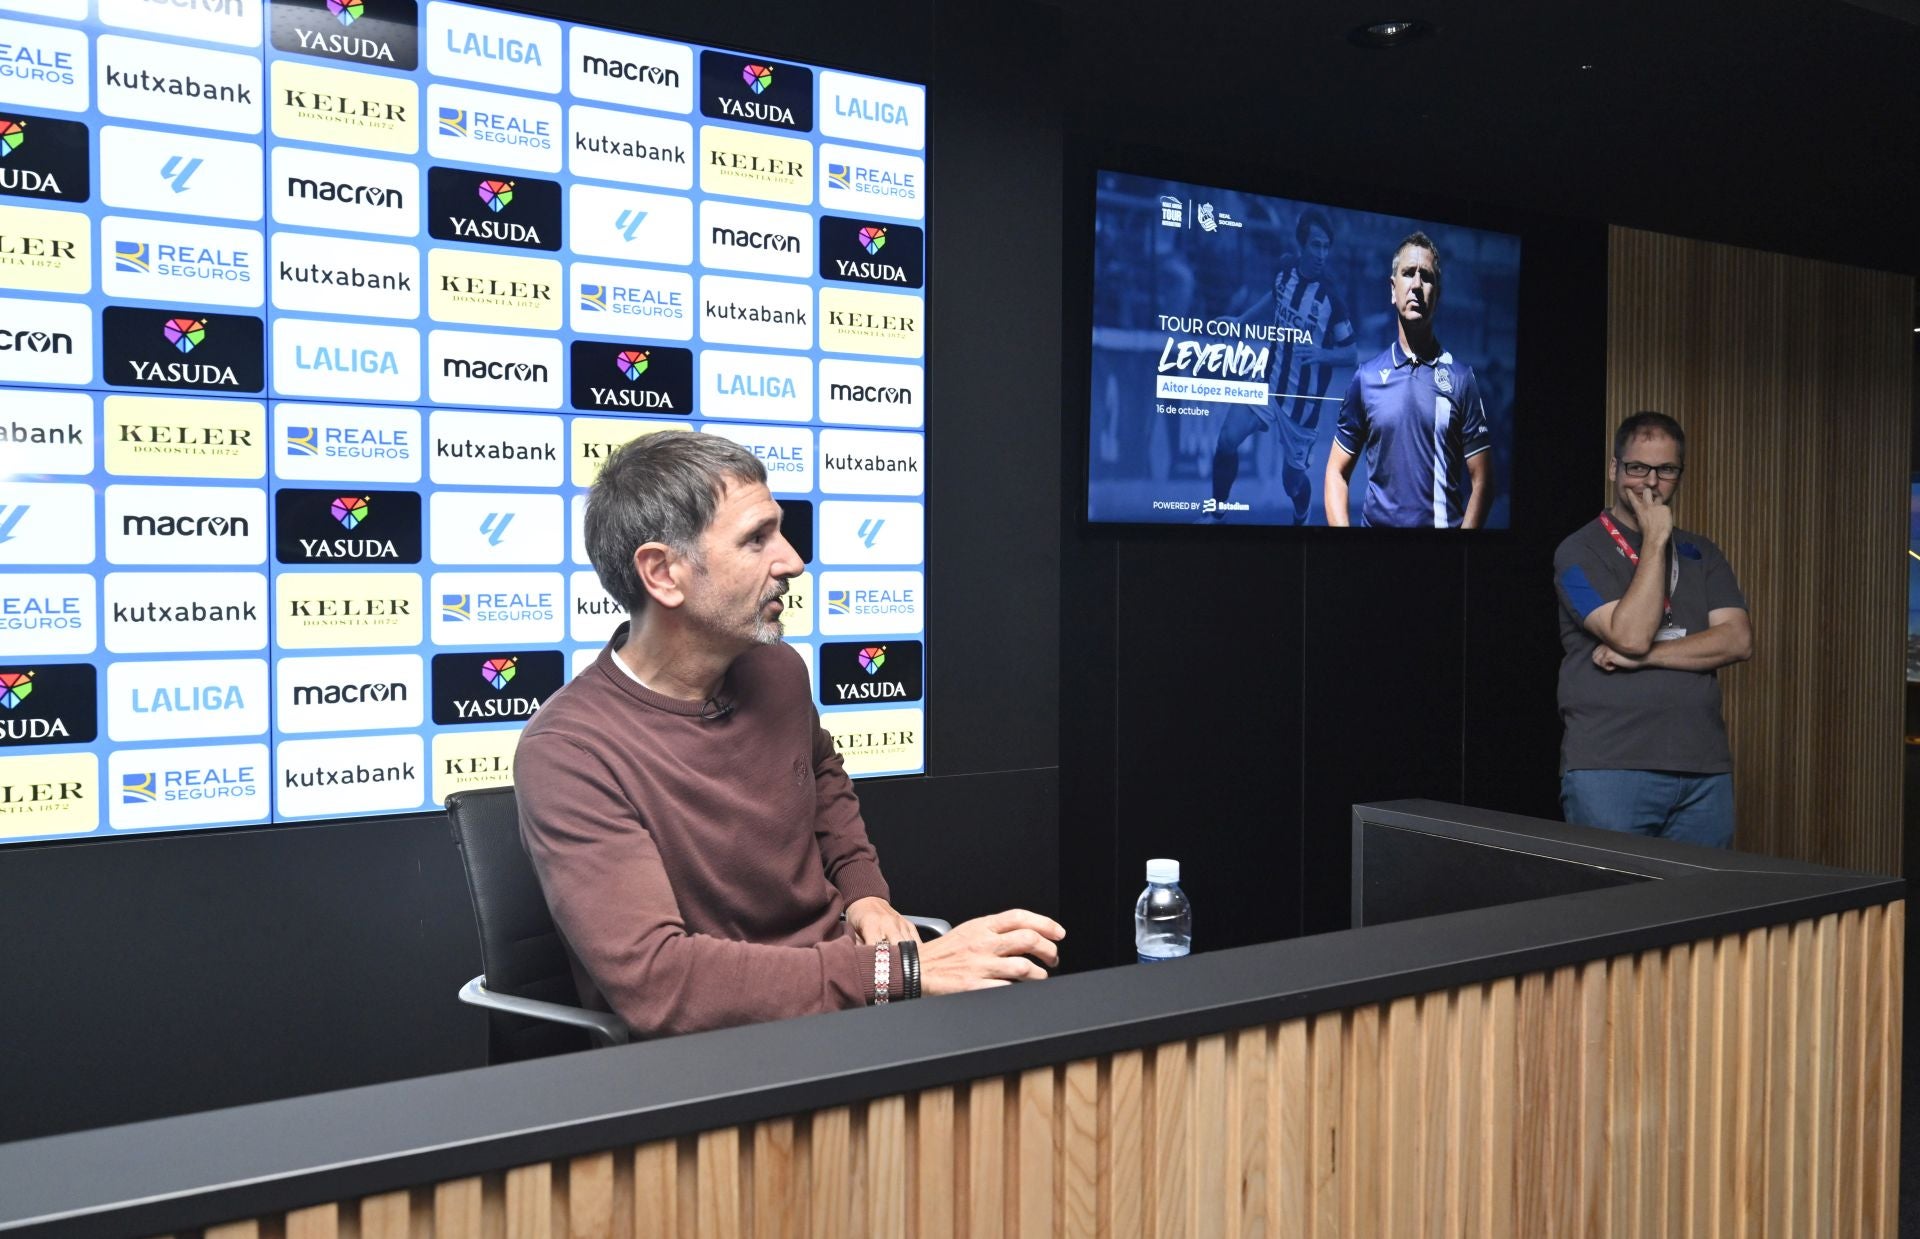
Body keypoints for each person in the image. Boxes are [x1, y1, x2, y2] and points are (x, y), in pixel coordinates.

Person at [515, 432, 1065, 1038]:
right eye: (756, 539)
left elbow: (822, 779)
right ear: (662, 572)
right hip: (718, 1053)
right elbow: (660, 984)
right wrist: (896, 973)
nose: (793, 561)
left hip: (845, 1008)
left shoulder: (777, 668)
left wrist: (864, 894)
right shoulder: (569, 752)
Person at [1551, 412, 1754, 847]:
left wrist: (1642, 659)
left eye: (1665, 470)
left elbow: (1737, 640)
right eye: (1637, 467)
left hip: (1703, 768)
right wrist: (1656, 539)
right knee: (1614, 910)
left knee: (1703, 910)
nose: (1649, 483)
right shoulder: (1578, 552)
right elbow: (1629, 635)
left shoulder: (1702, 552)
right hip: (1611, 767)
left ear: (1679, 475)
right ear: (1614, 469)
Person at [1324, 231, 1491, 528]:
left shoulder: (1462, 379)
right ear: (1392, 289)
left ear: (1437, 294)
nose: (1416, 285)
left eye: (1426, 277)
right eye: (1408, 274)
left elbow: (1483, 480)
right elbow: (1336, 472)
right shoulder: (1366, 378)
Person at [1203, 208, 1357, 523]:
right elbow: (1274, 298)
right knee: (1227, 440)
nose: (1322, 254)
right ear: (1302, 244)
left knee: (1292, 482)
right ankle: (1216, 514)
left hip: (1301, 405)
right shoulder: (1284, 271)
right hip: (1268, 380)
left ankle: (1302, 514)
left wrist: (1323, 355)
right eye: (1316, 245)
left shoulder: (1331, 301)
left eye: (1326, 247)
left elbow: (1351, 354)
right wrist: (1240, 321)